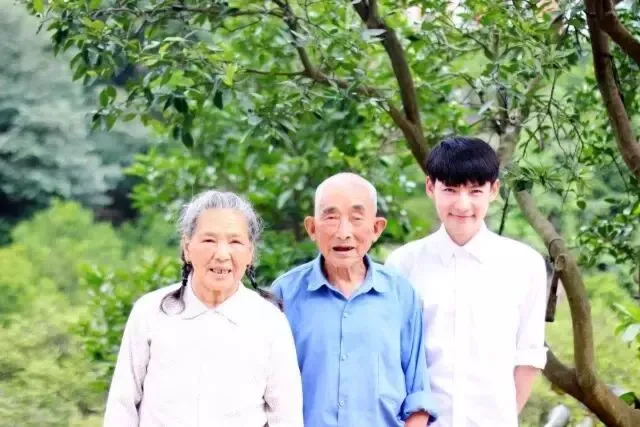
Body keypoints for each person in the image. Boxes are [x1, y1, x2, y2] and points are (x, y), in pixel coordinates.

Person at [104, 190, 303, 427]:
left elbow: (286, 416)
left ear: (250, 253)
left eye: (235, 242)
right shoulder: (150, 312)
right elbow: (122, 407)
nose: (222, 255)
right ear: (187, 247)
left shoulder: (270, 322)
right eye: (209, 240)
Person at [386, 136, 548, 427]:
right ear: (430, 187)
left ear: (493, 190)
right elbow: (392, 356)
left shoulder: (525, 265)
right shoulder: (402, 265)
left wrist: (503, 417)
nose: (463, 205)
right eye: (450, 190)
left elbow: (529, 356)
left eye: (475, 191)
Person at [272, 173, 437, 427]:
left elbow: (418, 394)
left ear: (377, 228)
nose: (343, 232)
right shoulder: (285, 293)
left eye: (356, 218)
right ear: (312, 228)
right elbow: (268, 389)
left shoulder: (400, 293)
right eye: (331, 217)